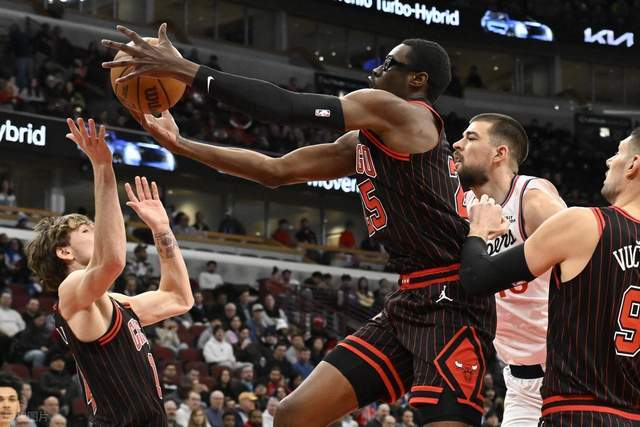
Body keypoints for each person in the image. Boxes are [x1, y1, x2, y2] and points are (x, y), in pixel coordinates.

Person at [104, 26, 495, 426]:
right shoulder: (368, 139)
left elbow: (285, 106)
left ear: (417, 80)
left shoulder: (403, 113)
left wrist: (184, 69)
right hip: (410, 296)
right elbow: (276, 171)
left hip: (452, 300)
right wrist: (181, 145)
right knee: (293, 415)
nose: (377, 69)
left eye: (390, 63)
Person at [459, 128, 640, 425]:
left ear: (633, 164)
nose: (609, 160)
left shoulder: (584, 223)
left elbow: (476, 278)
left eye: (618, 152)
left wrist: (478, 229)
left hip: (575, 406)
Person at [25, 118, 194, 425]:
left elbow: (179, 298)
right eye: (86, 230)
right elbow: (112, 261)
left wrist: (161, 230)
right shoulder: (71, 291)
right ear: (64, 252)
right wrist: (103, 167)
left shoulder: (114, 303)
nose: (97, 231)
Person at [453, 113, 566, 425]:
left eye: (470, 138)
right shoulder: (461, 208)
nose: (457, 144)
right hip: (519, 381)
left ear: (499, 153)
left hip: (570, 371)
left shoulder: (533, 199)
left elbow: (594, 265)